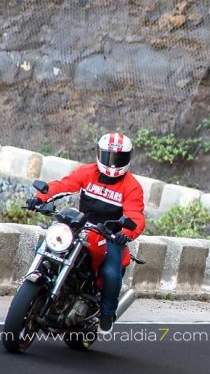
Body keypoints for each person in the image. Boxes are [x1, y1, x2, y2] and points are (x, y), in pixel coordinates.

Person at [26, 132, 145, 333]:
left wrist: (126, 232)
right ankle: (33, 286)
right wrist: (40, 198)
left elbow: (135, 215)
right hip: (80, 227)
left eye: (118, 158)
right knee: (45, 246)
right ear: (99, 154)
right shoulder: (87, 172)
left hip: (110, 235)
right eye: (108, 156)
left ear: (128, 158)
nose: (113, 163)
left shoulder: (132, 187)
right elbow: (64, 185)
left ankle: (107, 313)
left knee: (111, 273)